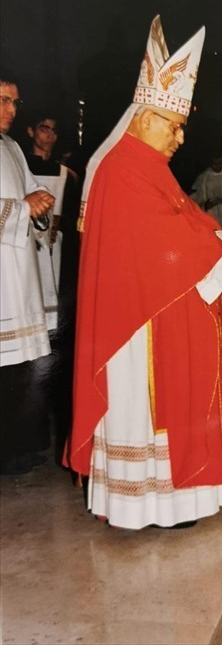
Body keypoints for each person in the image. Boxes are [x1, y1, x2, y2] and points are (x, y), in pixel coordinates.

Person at [65, 15, 222, 530]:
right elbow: (158, 240)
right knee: (151, 404)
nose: (180, 136)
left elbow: (188, 220)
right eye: (171, 123)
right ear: (142, 117)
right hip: (139, 325)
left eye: (182, 125)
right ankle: (152, 503)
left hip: (165, 308)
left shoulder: (148, 167)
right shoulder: (120, 168)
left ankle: (179, 499)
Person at [0, 71, 56, 474]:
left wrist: (41, 206)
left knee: (22, 367)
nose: (11, 110)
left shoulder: (13, 147)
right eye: (3, 100)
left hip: (20, 272)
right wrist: (24, 207)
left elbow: (35, 195)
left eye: (15, 102)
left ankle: (18, 445)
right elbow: (21, 202)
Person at [24, 111, 81, 463]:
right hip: (28, 260)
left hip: (59, 262)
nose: (49, 136)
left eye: (54, 130)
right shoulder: (20, 169)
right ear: (31, 131)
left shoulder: (66, 176)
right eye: (43, 128)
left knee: (58, 345)